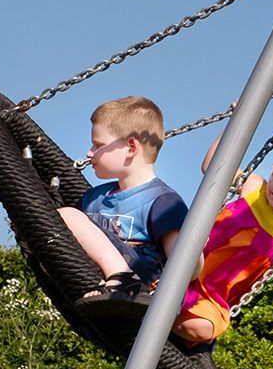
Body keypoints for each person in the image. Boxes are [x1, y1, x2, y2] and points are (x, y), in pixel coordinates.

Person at [82, 132, 273, 348]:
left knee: (203, 331)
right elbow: (212, 167)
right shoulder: (255, 188)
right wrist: (236, 126)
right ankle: (146, 299)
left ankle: (152, 313)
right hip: (176, 268)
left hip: (208, 296)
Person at [56, 96, 189, 304]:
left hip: (146, 284)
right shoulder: (93, 198)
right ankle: (115, 280)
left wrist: (194, 249)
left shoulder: (163, 201)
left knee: (65, 215)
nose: (89, 153)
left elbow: (183, 265)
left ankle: (122, 277)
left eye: (97, 145)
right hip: (100, 281)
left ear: (131, 148)